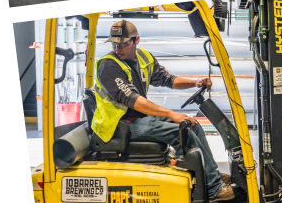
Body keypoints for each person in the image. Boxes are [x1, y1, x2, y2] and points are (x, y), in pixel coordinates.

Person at [91, 18, 234, 199]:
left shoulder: (144, 58)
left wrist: (195, 82)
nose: (117, 49)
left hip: (138, 118)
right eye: (114, 44)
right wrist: (171, 114)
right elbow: (134, 100)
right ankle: (214, 189)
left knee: (193, 125)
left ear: (136, 40)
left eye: (123, 44)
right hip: (119, 125)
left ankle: (210, 174)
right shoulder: (108, 66)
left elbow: (169, 80)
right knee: (182, 133)